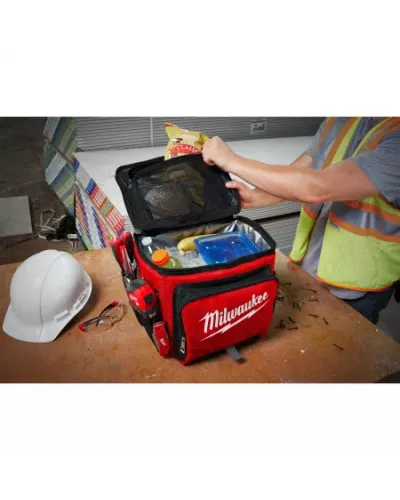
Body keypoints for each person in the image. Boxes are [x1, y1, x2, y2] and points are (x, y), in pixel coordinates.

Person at [202, 117, 400, 325]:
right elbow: (303, 169)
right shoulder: (342, 119)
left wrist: (231, 160)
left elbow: (317, 187)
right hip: (309, 266)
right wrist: (257, 196)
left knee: (347, 342)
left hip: (358, 285)